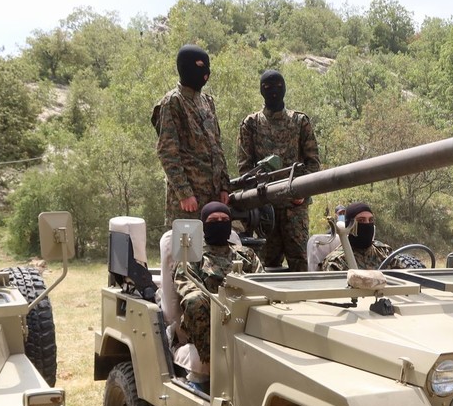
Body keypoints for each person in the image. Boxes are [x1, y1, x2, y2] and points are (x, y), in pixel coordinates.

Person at [238, 70, 321, 272]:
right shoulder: (251, 124)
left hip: (295, 208)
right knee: (265, 266)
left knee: (299, 264)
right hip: (265, 211)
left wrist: (302, 192)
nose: (273, 91)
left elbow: (313, 164)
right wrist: (259, 199)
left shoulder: (300, 122)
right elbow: (245, 169)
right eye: (267, 87)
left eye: (277, 86)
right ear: (261, 90)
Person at [152, 45, 231, 227]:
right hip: (189, 201)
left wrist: (224, 186)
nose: (205, 72)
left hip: (213, 199)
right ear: (185, 67)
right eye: (199, 65)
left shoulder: (207, 102)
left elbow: (216, 148)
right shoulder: (173, 102)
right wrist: (184, 192)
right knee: (188, 252)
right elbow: (167, 152)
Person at [174, 202, 263, 365]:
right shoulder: (193, 256)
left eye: (224, 219)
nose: (220, 223)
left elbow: (262, 282)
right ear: (204, 226)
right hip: (212, 317)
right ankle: (213, 362)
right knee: (195, 300)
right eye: (214, 220)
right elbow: (188, 286)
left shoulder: (245, 254)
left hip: (245, 312)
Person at [321, 202, 412, 271]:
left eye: (371, 220)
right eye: (361, 220)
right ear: (350, 226)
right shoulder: (336, 262)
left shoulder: (384, 252)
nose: (367, 224)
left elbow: (405, 279)